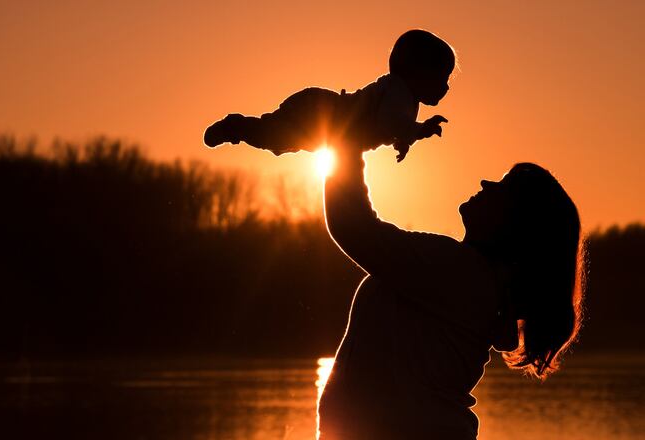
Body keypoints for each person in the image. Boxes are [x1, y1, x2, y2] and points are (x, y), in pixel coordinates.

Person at [318, 141, 585, 439]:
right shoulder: (476, 284)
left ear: (516, 226)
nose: (486, 183)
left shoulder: (462, 273)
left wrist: (350, 140)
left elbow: (354, 227)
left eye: (504, 187)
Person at [203, 29, 454, 162]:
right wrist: (419, 131)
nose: (446, 87)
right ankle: (235, 126)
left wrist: (404, 141)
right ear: (417, 71)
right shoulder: (398, 90)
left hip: (326, 119)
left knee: (279, 140)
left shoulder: (404, 98)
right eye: (442, 78)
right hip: (320, 112)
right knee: (275, 136)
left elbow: (391, 126)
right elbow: (390, 122)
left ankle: (238, 128)